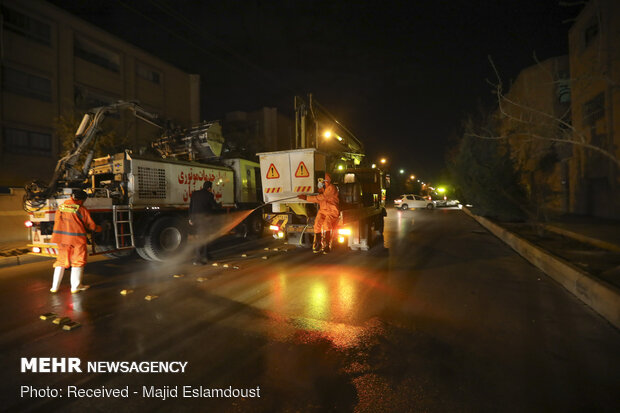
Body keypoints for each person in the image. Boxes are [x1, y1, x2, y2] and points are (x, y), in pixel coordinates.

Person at [50, 189, 102, 293]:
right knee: (78, 261)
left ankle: (54, 287)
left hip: (61, 239)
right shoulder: (80, 209)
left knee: (61, 261)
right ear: (81, 200)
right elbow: (90, 225)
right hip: (76, 239)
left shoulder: (61, 208)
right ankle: (76, 287)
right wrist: (99, 228)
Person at [298, 173, 340, 253]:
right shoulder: (322, 190)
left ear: (326, 181)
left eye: (321, 180)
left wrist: (306, 198)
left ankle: (327, 245)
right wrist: (307, 197)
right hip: (323, 210)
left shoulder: (331, 188)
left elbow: (322, 197)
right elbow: (318, 199)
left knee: (326, 225)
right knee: (316, 225)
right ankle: (318, 244)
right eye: (318, 180)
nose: (319, 182)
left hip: (332, 211)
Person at [189, 180, 220, 265]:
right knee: (202, 239)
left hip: (195, 219)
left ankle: (206, 255)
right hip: (204, 220)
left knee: (205, 237)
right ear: (209, 188)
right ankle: (197, 260)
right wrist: (220, 204)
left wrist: (190, 219)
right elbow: (215, 206)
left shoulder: (195, 193)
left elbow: (191, 206)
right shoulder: (209, 195)